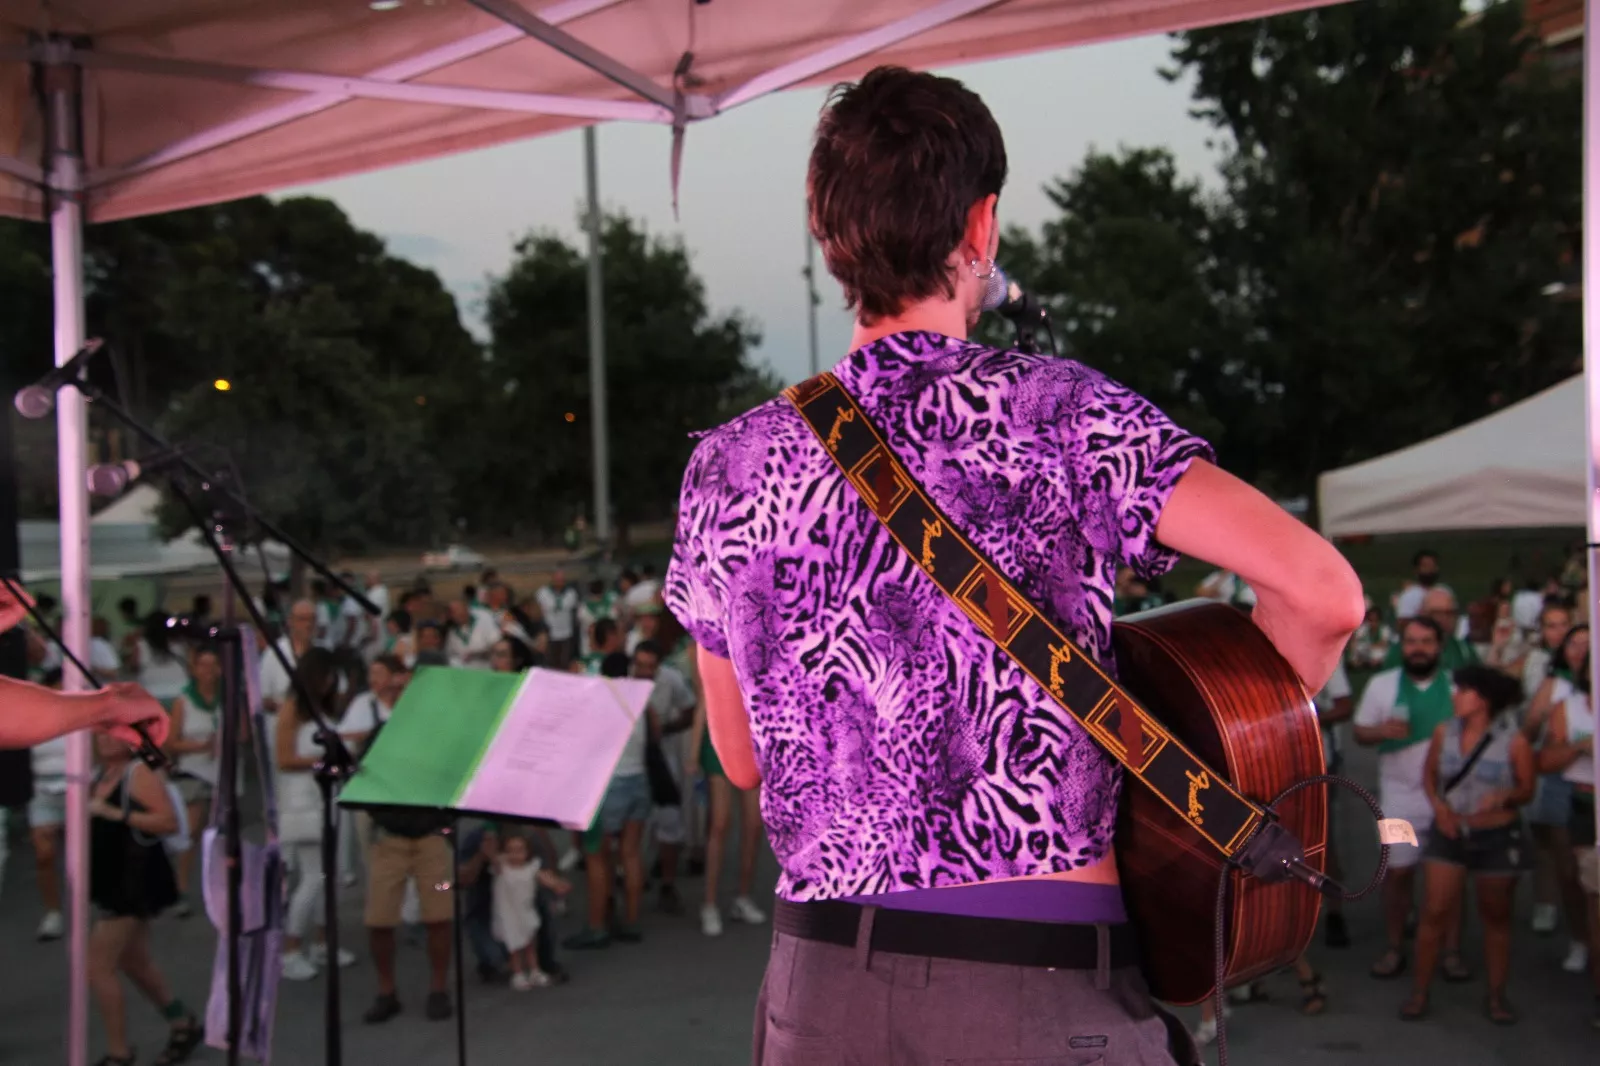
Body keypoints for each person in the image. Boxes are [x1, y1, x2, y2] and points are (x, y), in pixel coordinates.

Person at [663, 65, 1363, 1066]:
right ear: (980, 226)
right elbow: (1322, 593)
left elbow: (739, 757)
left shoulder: (724, 463)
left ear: (831, 239)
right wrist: (1235, 737)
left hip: (818, 991)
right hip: (1034, 987)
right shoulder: (1059, 411)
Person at [1400, 665, 1534, 1024]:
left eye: (1463, 691)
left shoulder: (1514, 741)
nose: (1455, 696)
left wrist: (1506, 796)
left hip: (1496, 836)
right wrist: (1439, 807)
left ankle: (1496, 995)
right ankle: (1419, 992)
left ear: (1483, 699)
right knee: (1434, 910)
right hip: (1451, 831)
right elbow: (1429, 776)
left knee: (1496, 916)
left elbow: (1527, 788)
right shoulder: (1445, 732)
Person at [1353, 617, 1468, 980]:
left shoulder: (1456, 688)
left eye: (1426, 641)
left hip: (1448, 801)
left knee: (1448, 878)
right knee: (1397, 873)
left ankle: (1451, 952)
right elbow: (1359, 733)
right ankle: (1394, 947)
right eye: (1411, 641)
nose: (1418, 648)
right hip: (1398, 801)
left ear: (1439, 646)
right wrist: (1379, 731)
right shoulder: (1382, 685)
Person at [86, 731, 202, 1066]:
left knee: (98, 966)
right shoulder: (98, 776)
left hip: (133, 884)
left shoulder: (138, 773)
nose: (106, 739)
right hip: (112, 881)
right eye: (101, 733)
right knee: (134, 961)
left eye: (114, 734)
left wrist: (116, 815)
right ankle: (182, 1022)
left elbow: (166, 821)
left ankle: (119, 1052)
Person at [563, 650, 657, 950]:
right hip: (639, 781)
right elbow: (654, 736)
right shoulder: (639, 698)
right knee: (630, 853)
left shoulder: (599, 701)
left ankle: (597, 925)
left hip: (609, 785)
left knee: (597, 858)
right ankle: (630, 921)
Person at [277, 648, 356, 981]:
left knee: (333, 875)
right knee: (313, 876)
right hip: (304, 801)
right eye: (324, 677)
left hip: (331, 796)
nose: (329, 684)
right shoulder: (292, 709)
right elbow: (283, 758)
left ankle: (324, 942)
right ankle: (291, 947)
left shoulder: (325, 709)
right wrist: (323, 763)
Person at [1536, 639, 1600, 1027]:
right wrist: (1582, 746)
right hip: (1585, 806)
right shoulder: (1569, 708)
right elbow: (1546, 760)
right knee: (1588, 896)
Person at [1524, 621, 1594, 973]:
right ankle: (1580, 938)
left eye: (1588, 643)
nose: (1581, 651)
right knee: (1571, 871)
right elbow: (1535, 743)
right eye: (1574, 643)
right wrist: (1579, 745)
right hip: (1569, 790)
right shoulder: (1560, 693)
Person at [165, 645, 224, 914]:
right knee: (190, 831)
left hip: (221, 774)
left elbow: (242, 735)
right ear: (195, 669)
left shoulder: (227, 699)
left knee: (210, 834)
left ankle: (213, 888)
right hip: (193, 772)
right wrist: (200, 746)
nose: (208, 672)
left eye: (213, 666)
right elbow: (172, 743)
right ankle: (180, 889)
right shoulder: (183, 701)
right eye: (203, 665)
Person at [491, 832, 571, 990]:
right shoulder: (502, 868)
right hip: (508, 914)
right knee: (514, 946)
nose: (515, 855)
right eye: (510, 850)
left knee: (529, 943)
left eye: (519, 850)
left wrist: (558, 885)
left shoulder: (532, 868)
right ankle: (518, 973)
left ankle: (534, 970)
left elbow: (547, 879)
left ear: (528, 852)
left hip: (526, 912)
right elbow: (494, 859)